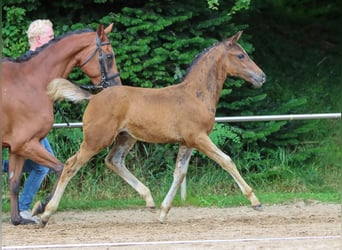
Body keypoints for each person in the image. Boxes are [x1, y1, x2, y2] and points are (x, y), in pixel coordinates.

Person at [2, 19, 55, 224]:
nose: (53, 40)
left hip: (30, 126)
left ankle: (21, 204)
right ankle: (24, 207)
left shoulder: (38, 65)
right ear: (39, 38)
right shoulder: (26, 63)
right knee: (43, 166)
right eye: (50, 37)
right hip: (25, 127)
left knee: (42, 166)